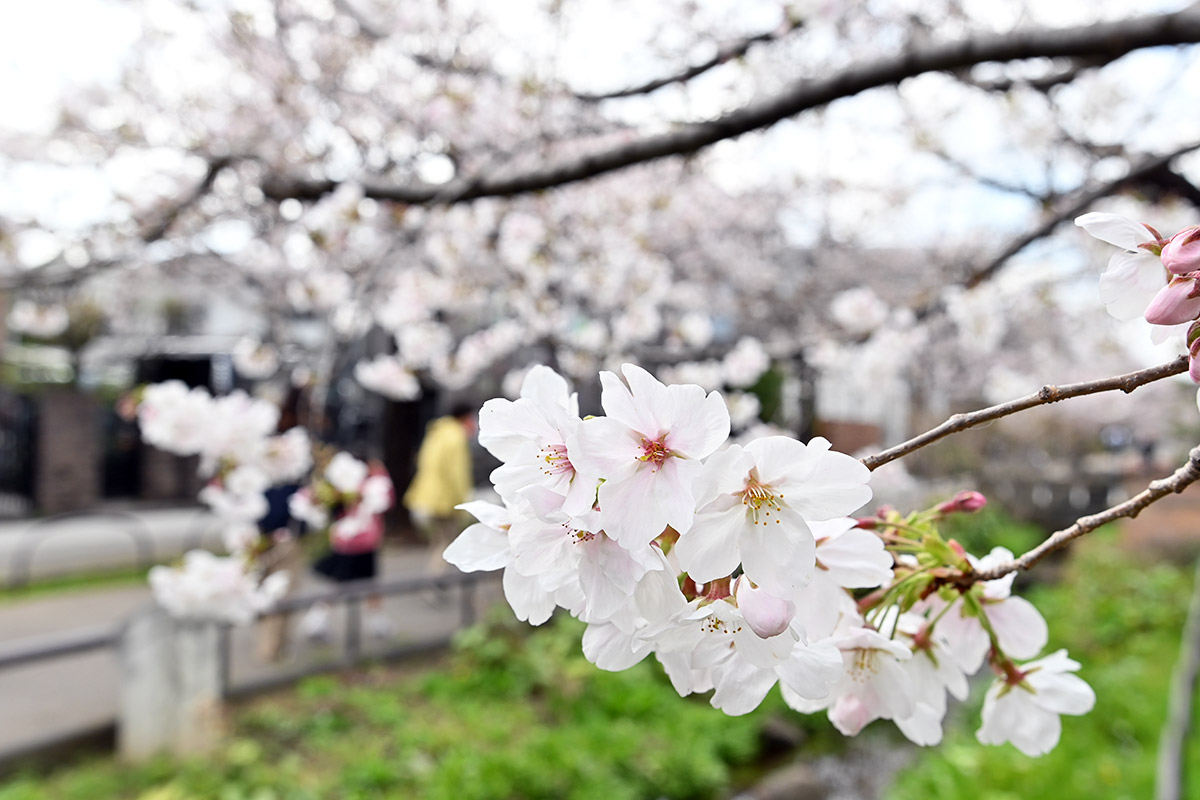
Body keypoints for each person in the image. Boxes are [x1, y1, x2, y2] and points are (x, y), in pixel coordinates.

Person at [403, 403, 476, 572]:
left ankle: (434, 577)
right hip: (446, 498)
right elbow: (457, 473)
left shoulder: (438, 432)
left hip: (429, 495)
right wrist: (463, 501)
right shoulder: (456, 437)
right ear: (465, 418)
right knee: (447, 541)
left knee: (438, 539)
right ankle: (435, 579)